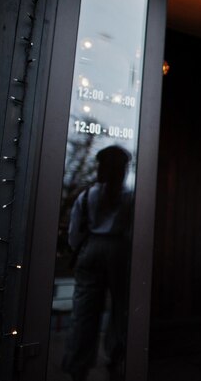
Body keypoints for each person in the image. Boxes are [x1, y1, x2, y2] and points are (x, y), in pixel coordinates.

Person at [62, 145, 134, 381]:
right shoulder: (129, 197)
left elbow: (74, 234)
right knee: (121, 307)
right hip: (119, 250)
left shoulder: (87, 195)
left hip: (91, 247)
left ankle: (77, 364)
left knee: (84, 310)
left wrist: (79, 248)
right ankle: (115, 357)